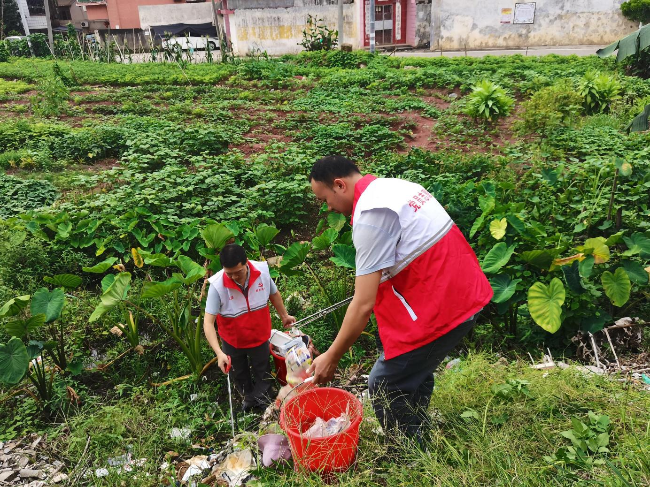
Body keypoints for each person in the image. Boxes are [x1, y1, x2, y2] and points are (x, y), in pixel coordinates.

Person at [307, 155, 493, 445]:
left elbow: (364, 302)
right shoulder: (396, 188)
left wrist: (332, 356)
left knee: (386, 383)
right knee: (413, 369)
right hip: (463, 293)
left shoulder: (371, 213)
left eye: (324, 199)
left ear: (339, 185)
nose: (327, 207)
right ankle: (416, 430)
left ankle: (408, 454)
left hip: (442, 308)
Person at [203, 244, 296, 412]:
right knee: (239, 372)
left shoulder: (262, 272)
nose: (234, 277)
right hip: (233, 339)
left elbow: (273, 294)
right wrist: (219, 353)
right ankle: (248, 398)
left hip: (259, 335)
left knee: (262, 368)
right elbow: (208, 322)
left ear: (246, 262)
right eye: (229, 273)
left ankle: (263, 399)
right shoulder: (217, 286)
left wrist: (284, 316)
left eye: (238, 272)